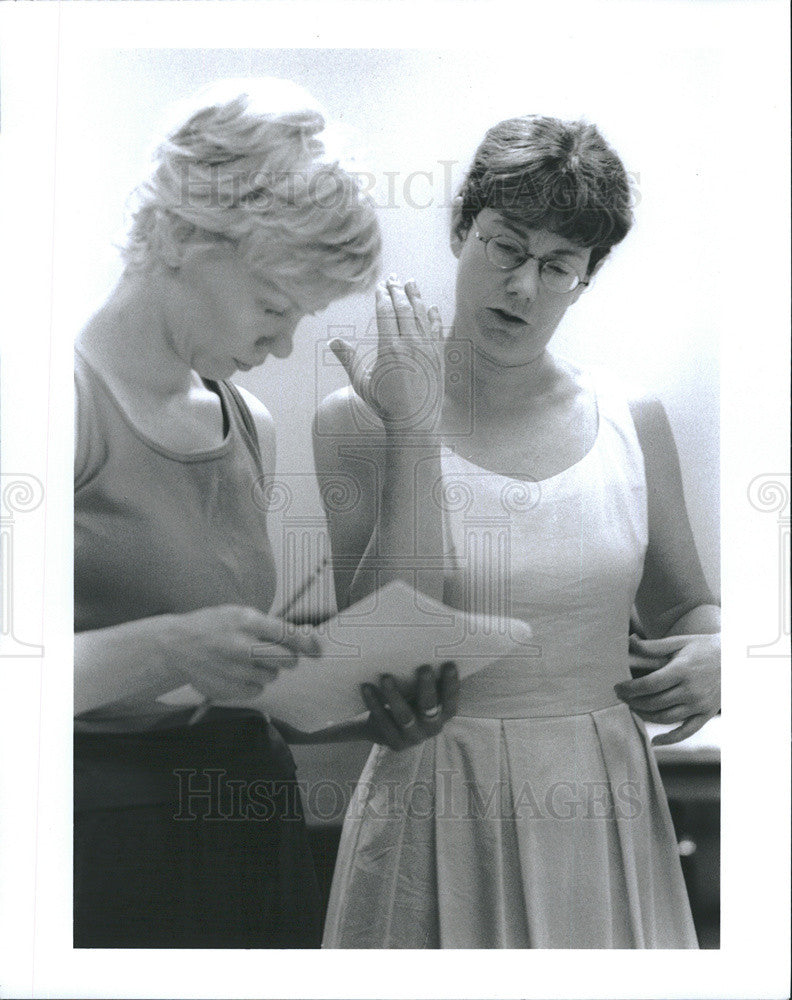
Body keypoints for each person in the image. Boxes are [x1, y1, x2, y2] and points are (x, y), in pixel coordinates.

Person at [313, 115, 721, 948]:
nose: (524, 288)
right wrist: (414, 425)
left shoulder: (632, 419)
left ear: (585, 278)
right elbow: (391, 648)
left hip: (602, 794)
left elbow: (687, 609)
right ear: (463, 230)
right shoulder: (357, 420)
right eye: (505, 248)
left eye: (558, 265)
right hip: (437, 793)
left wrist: (721, 657)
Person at [74, 78, 458, 949]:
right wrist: (166, 645)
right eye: (278, 306)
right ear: (179, 236)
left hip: (247, 828)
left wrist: (363, 707)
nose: (285, 345)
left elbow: (234, 695)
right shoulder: (57, 400)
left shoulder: (248, 422)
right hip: (97, 847)